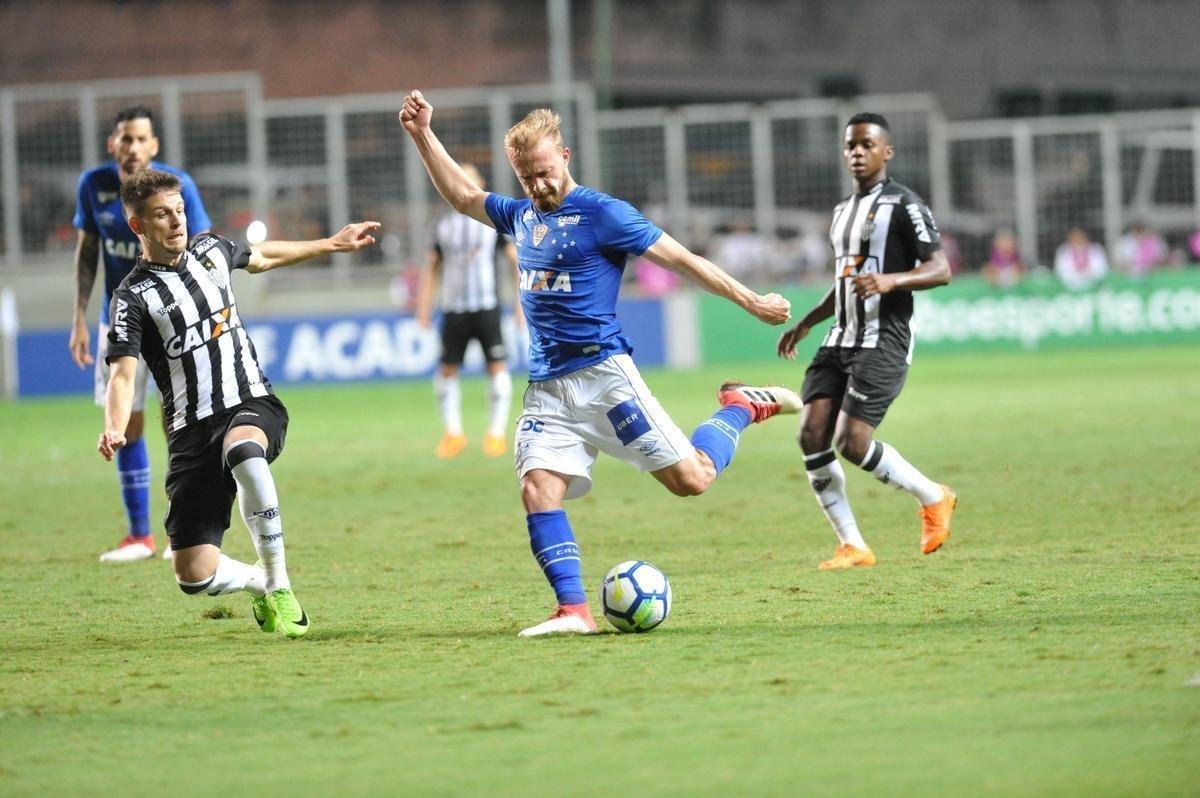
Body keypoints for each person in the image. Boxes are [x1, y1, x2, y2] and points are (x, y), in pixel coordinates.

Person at [399, 90, 798, 637]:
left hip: (606, 380)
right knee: (537, 486)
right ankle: (574, 611)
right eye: (526, 178)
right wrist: (422, 134)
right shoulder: (520, 217)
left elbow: (682, 259)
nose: (537, 187)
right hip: (547, 390)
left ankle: (739, 408)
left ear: (564, 156)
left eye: (543, 172)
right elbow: (465, 196)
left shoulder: (605, 214)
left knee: (693, 480)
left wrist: (751, 301)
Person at [96, 167, 379, 637]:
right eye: (162, 215)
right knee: (194, 574)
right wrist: (115, 425)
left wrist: (331, 243)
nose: (176, 221)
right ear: (137, 225)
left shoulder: (210, 250)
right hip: (189, 432)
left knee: (245, 451)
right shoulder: (132, 297)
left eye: (180, 210)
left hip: (250, 402)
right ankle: (262, 583)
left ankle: (283, 584)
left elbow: (263, 255)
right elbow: (123, 374)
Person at [777, 113, 957, 571]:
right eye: (850, 146)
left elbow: (941, 269)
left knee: (852, 443)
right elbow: (843, 282)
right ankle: (853, 546)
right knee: (810, 433)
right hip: (840, 337)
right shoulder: (840, 212)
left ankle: (934, 497)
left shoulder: (906, 204)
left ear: (886, 152)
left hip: (883, 340)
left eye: (866, 145)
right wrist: (809, 322)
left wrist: (891, 281)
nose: (857, 153)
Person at [70, 106, 212, 563]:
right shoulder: (94, 187)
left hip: (172, 319)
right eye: (125, 139)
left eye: (141, 139)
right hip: (122, 321)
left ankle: (182, 533)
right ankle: (139, 536)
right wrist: (78, 316)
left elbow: (205, 246)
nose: (133, 148)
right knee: (126, 426)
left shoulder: (176, 186)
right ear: (113, 144)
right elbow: (87, 251)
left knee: (180, 424)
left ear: (154, 146)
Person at [415, 163, 523, 459]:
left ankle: (496, 433)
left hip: (487, 306)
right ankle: (453, 433)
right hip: (454, 309)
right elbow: (431, 268)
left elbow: (515, 262)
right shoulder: (442, 225)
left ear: (479, 183)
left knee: (497, 366)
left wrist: (520, 304)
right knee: (447, 369)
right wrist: (423, 308)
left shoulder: (492, 223)